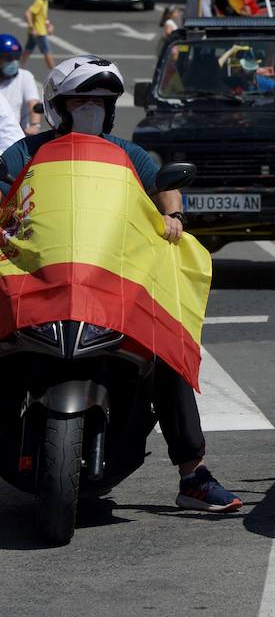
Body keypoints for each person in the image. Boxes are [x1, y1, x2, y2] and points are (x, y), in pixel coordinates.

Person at [0, 56, 242, 512]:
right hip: (36, 282)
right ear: (58, 106)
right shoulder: (25, 154)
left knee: (164, 347)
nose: (90, 108)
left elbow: (164, 188)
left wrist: (172, 215)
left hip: (108, 282)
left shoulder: (127, 154)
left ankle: (193, 475)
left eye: (100, 101)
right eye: (80, 100)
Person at [0, 34, 42, 133]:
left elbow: (33, 102)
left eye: (16, 57)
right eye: (9, 58)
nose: (14, 62)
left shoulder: (24, 76)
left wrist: (35, 125)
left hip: (16, 136)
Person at [21, 0, 56, 71]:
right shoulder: (39, 2)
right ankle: (54, 72)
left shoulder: (45, 1)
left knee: (27, 51)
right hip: (39, 33)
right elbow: (27, 13)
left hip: (36, 32)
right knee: (47, 52)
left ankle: (19, 68)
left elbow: (43, 17)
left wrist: (49, 25)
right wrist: (32, 27)